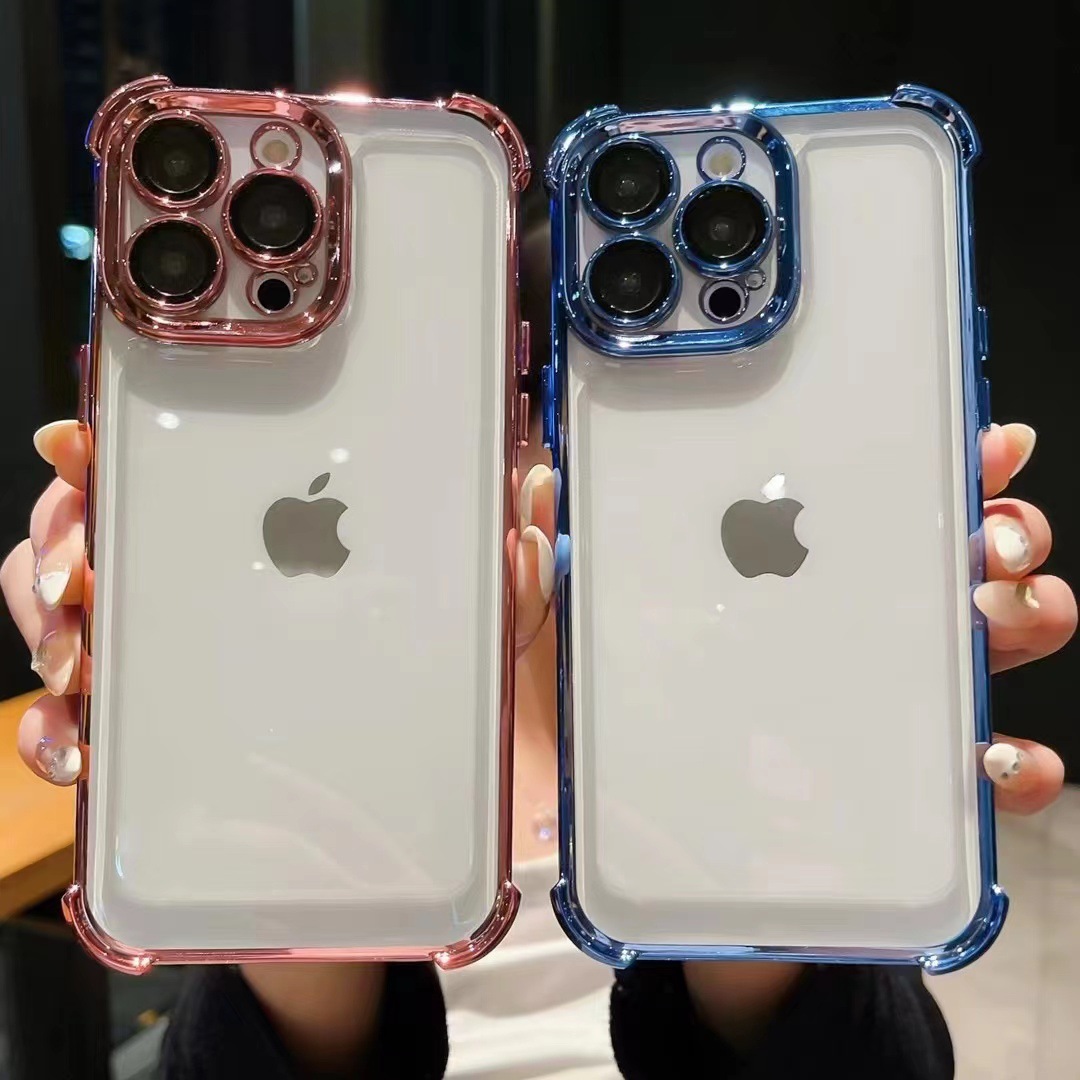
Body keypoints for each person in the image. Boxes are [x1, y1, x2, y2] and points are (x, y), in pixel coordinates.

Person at [2, 224, 1075, 1078]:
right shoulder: (332, 704)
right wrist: (283, 915)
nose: (533, 462)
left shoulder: (736, 694)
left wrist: (769, 900)